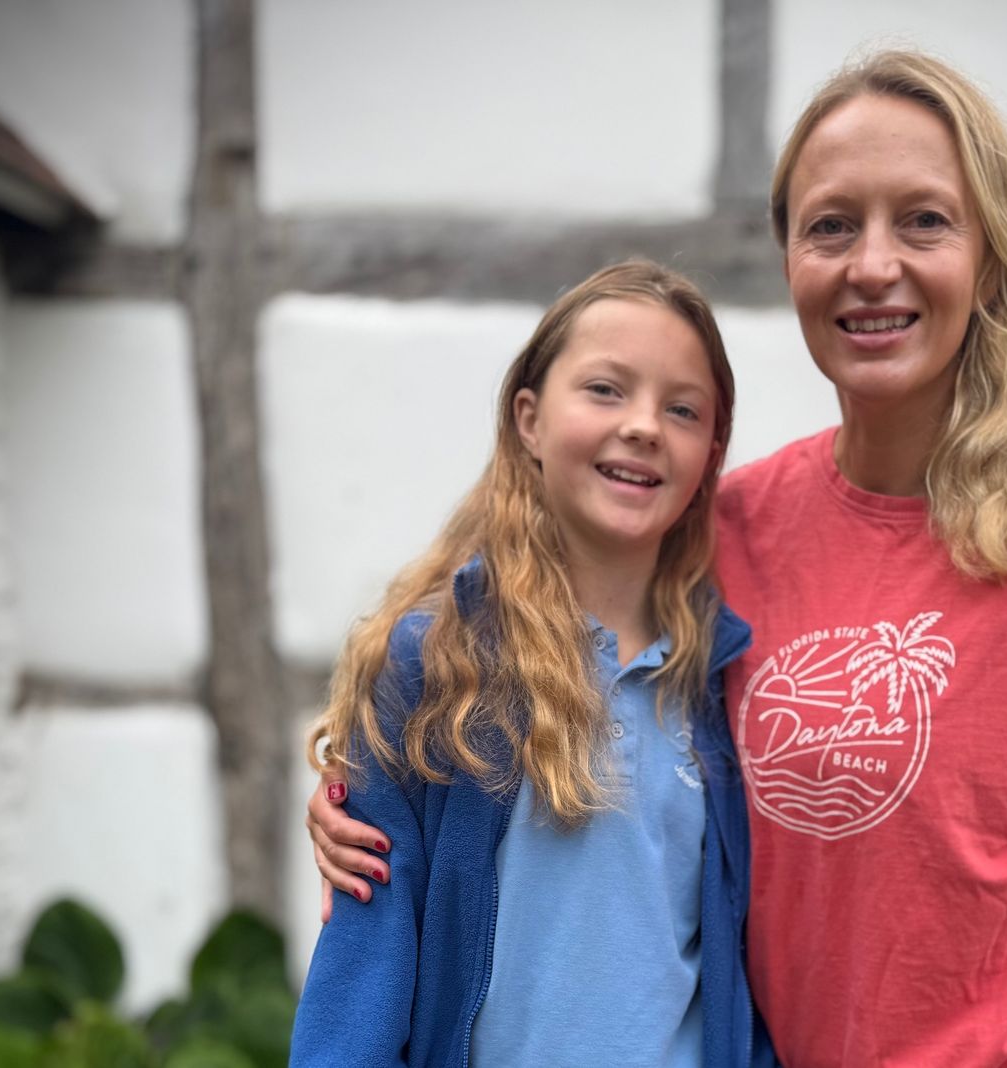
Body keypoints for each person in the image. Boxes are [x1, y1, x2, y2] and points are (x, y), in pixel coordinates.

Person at [309, 51, 1007, 1067]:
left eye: (923, 220)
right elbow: (548, 675)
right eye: (830, 225)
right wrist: (379, 804)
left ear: (990, 255)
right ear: (790, 258)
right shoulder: (724, 532)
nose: (871, 265)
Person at [289, 260, 772, 1067]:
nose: (645, 425)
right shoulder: (433, 663)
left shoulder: (721, 679)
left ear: (710, 453)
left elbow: (734, 962)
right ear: (529, 419)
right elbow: (362, 969)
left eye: (682, 408)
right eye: (606, 390)